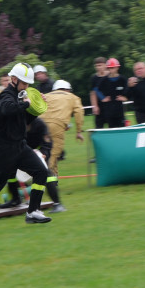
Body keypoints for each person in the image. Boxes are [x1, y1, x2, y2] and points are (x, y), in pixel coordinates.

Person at [0, 63, 52, 231]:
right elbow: (7, 110)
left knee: (41, 172)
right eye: (24, 83)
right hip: (4, 149)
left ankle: (33, 211)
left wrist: (35, 107)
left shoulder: (21, 96)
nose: (27, 87)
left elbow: (23, 121)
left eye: (28, 84)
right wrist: (26, 104)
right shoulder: (5, 96)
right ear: (14, 79)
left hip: (20, 146)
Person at [41, 79, 86, 212]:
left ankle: (51, 185)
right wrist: (78, 131)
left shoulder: (47, 95)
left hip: (40, 126)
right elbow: (79, 113)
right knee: (52, 157)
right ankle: (54, 195)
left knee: (43, 156)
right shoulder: (73, 97)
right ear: (67, 89)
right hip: (57, 127)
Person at [3, 114, 54, 208]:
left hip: (39, 152)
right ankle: (15, 199)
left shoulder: (40, 124)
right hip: (22, 150)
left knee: (46, 174)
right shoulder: (14, 125)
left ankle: (57, 203)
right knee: (10, 172)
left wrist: (44, 154)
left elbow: (47, 142)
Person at [94, 58, 128, 128]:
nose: (111, 70)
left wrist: (125, 97)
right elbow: (96, 89)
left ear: (117, 67)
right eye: (109, 68)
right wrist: (103, 98)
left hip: (120, 110)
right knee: (112, 128)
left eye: (113, 68)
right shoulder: (104, 80)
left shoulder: (123, 79)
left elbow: (128, 89)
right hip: (108, 111)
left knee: (122, 129)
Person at [89, 57, 109, 129]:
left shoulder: (111, 76)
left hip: (111, 106)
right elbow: (93, 93)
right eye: (96, 66)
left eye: (100, 65)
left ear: (105, 65)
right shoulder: (94, 78)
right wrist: (95, 106)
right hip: (100, 107)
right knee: (99, 128)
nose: (98, 67)